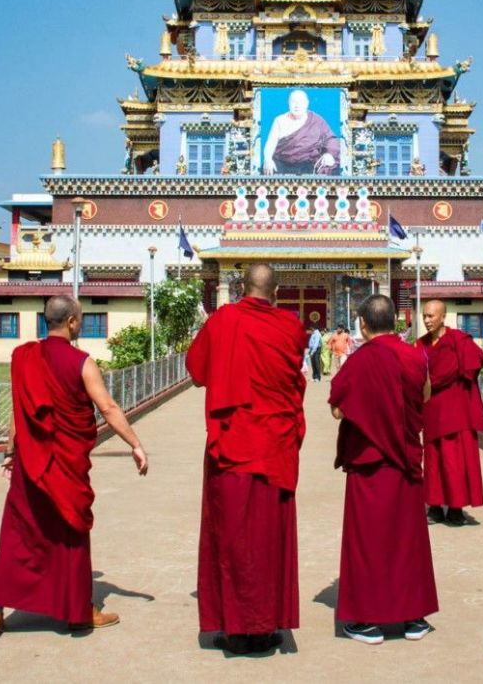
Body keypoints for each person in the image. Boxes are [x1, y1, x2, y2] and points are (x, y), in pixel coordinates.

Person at [0, 295, 149, 636]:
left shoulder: (24, 357)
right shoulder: (82, 362)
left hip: (30, 465)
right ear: (72, 322)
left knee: (18, 536)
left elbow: (21, 410)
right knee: (71, 531)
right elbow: (108, 407)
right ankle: (80, 611)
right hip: (64, 467)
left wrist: (10, 452)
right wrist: (135, 444)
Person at [186, 263, 308, 655]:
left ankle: (233, 628)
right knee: (268, 539)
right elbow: (295, 381)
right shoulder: (289, 328)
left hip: (231, 447)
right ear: (276, 293)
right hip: (273, 446)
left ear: (242, 288)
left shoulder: (223, 321)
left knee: (231, 536)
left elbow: (197, 371)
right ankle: (266, 625)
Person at [329, 294, 438, 645]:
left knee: (369, 541)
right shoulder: (414, 356)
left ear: (362, 324)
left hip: (371, 462)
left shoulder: (360, 362)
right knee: (407, 539)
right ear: (395, 321)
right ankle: (413, 618)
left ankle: (367, 621)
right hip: (404, 460)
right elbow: (425, 394)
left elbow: (338, 410)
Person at [417, 299, 483, 527]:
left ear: (443, 317)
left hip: (456, 411)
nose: (427, 321)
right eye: (425, 316)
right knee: (434, 461)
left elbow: (475, 360)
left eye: (431, 316)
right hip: (432, 410)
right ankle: (435, 507)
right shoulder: (421, 345)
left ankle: (456, 508)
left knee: (454, 461)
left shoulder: (459, 340)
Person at [261, 88, 340, 175]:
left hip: (308, 163)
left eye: (301, 102)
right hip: (282, 163)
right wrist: (268, 159)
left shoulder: (316, 120)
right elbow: (270, 143)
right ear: (289, 103)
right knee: (268, 169)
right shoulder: (280, 120)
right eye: (293, 101)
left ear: (307, 103)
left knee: (329, 168)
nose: (297, 105)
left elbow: (330, 139)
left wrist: (329, 154)